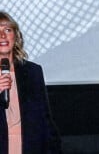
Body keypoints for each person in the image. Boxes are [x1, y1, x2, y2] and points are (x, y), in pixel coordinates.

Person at [0, 11, 61, 154]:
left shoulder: (32, 72)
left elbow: (45, 121)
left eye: (7, 30)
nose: (2, 36)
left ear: (15, 36)